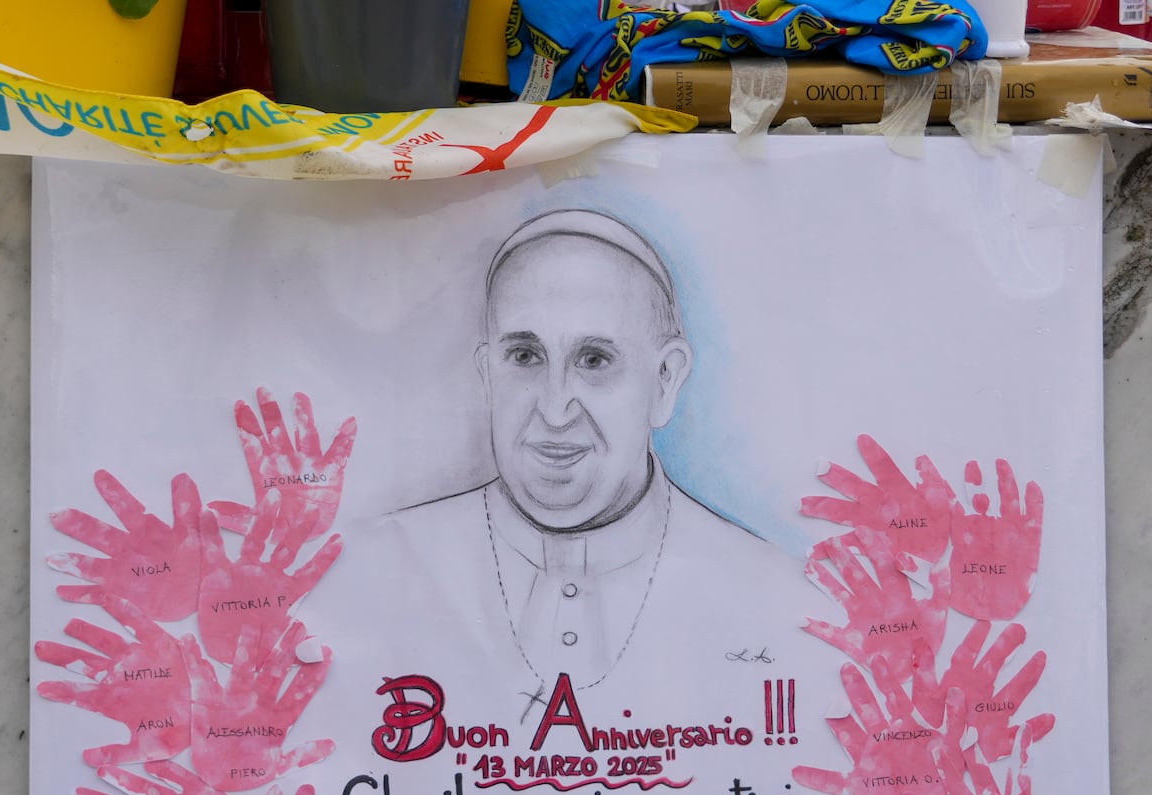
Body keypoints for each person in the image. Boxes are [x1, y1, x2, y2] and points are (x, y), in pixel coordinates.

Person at [304, 209, 821, 715]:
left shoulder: (782, 600)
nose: (554, 410)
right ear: (488, 376)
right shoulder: (364, 574)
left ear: (665, 379)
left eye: (594, 360)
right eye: (525, 358)